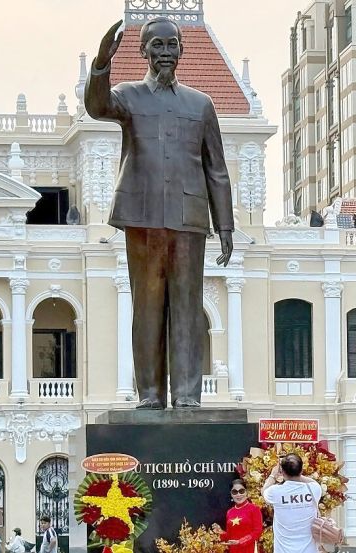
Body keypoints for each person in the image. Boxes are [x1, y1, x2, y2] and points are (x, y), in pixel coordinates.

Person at [85, 17, 234, 409]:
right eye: (157, 45)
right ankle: (149, 394)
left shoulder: (201, 104)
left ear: (181, 51)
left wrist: (227, 226)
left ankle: (187, 396)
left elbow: (216, 168)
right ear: (143, 51)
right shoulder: (128, 96)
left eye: (172, 45)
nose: (165, 53)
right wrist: (102, 62)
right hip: (142, 214)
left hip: (189, 217)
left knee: (187, 308)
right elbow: (97, 106)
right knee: (147, 307)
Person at [262, 454, 323, 553]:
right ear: (301, 469)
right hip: (309, 550)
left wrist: (273, 475)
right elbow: (314, 482)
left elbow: (264, 490)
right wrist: (298, 473)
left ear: (282, 472)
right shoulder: (313, 489)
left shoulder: (275, 491)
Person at [220, 479, 263, 553]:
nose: (238, 495)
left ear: (246, 492)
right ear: (231, 494)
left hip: (249, 549)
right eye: (235, 492)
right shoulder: (230, 512)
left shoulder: (254, 509)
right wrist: (220, 532)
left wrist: (240, 542)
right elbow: (229, 535)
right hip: (234, 550)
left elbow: (257, 532)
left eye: (241, 491)